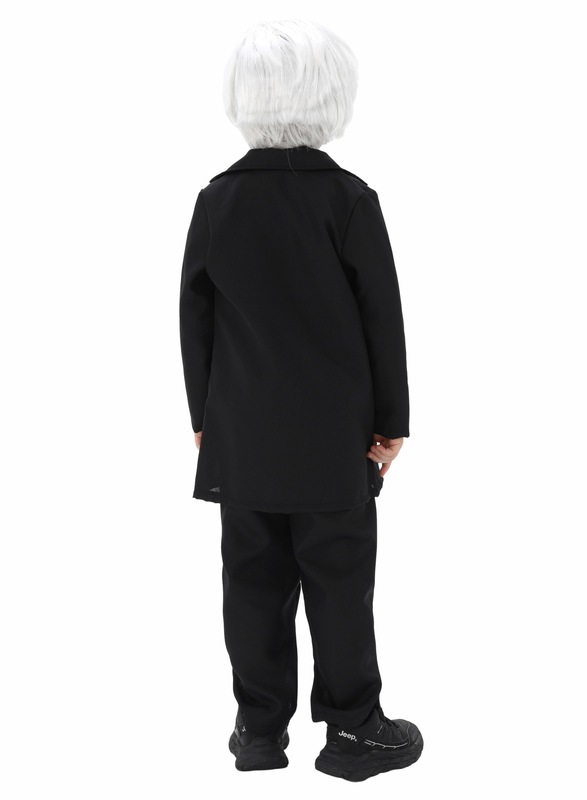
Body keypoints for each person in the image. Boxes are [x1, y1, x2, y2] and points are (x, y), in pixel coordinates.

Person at [179, 18, 424, 782]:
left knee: (250, 587)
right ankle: (352, 730)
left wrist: (203, 419)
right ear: (330, 96)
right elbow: (382, 318)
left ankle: (257, 732)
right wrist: (390, 423)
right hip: (332, 442)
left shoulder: (216, 201)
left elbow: (196, 318)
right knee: (340, 585)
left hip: (242, 441)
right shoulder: (348, 200)